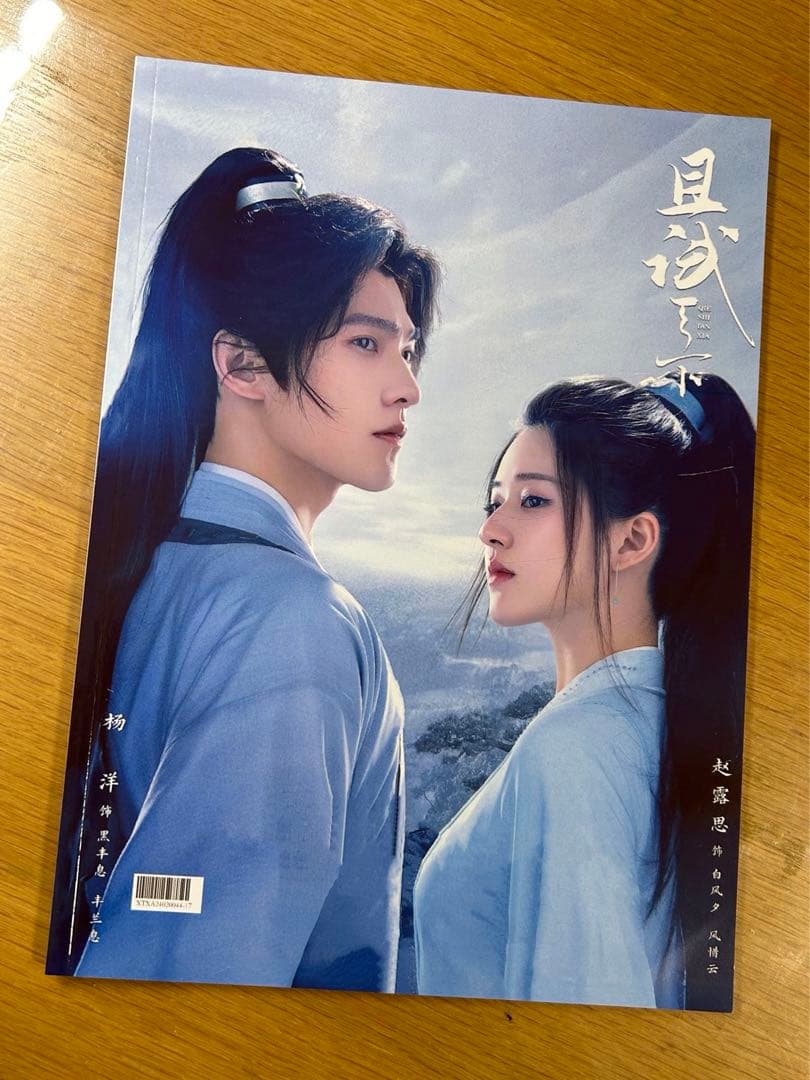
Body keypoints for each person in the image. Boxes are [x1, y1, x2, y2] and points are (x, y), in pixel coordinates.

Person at [47, 147, 440, 989]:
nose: (407, 386)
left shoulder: (125, 565)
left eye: (407, 349)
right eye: (366, 342)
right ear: (242, 365)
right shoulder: (291, 621)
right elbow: (193, 966)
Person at [414, 373, 754, 1008]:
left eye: (533, 501)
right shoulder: (664, 725)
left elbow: (585, 1028)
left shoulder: (574, 749)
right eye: (494, 501)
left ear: (631, 540)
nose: (491, 529)